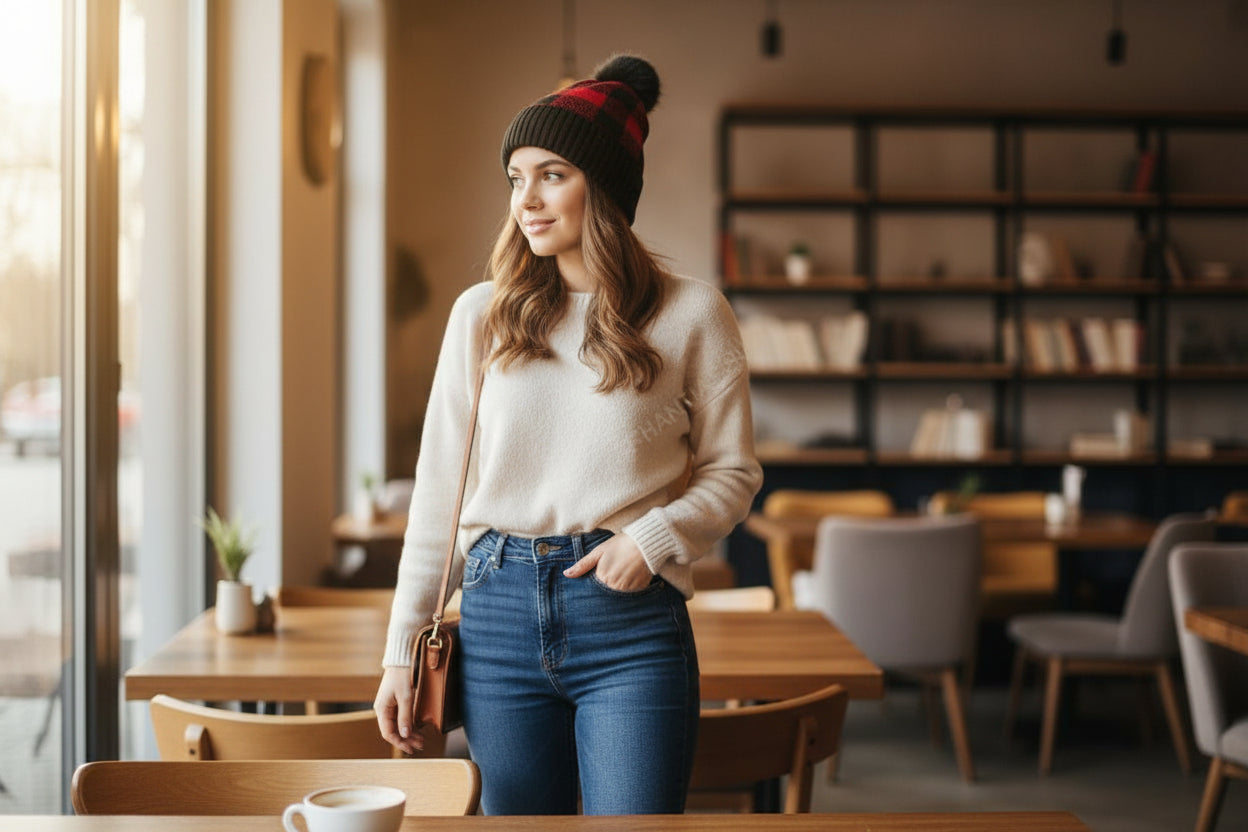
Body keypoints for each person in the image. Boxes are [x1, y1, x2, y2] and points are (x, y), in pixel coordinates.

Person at [374, 54, 762, 816]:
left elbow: (732, 472)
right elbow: (439, 499)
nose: (527, 200)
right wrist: (402, 649)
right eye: (516, 178)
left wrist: (651, 540)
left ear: (605, 188)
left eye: (551, 174)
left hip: (630, 621)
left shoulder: (692, 314)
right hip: (496, 615)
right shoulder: (480, 316)